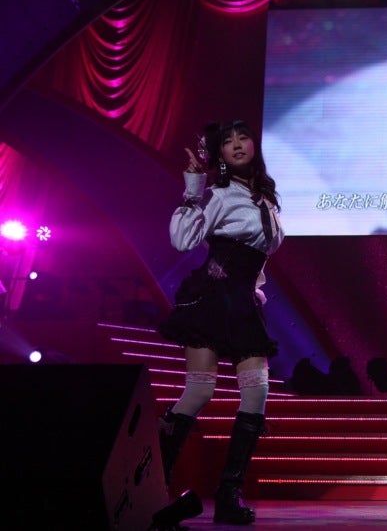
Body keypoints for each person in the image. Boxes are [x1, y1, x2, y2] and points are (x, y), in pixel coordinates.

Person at [157, 119, 283, 525]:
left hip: (243, 302)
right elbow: (182, 240)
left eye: (243, 137)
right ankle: (151, 484)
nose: (237, 145)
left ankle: (229, 494)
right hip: (212, 298)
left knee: (257, 393)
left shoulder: (265, 197)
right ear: (221, 154)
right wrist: (193, 189)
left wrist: (254, 292)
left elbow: (258, 258)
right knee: (199, 391)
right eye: (228, 142)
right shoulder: (218, 194)